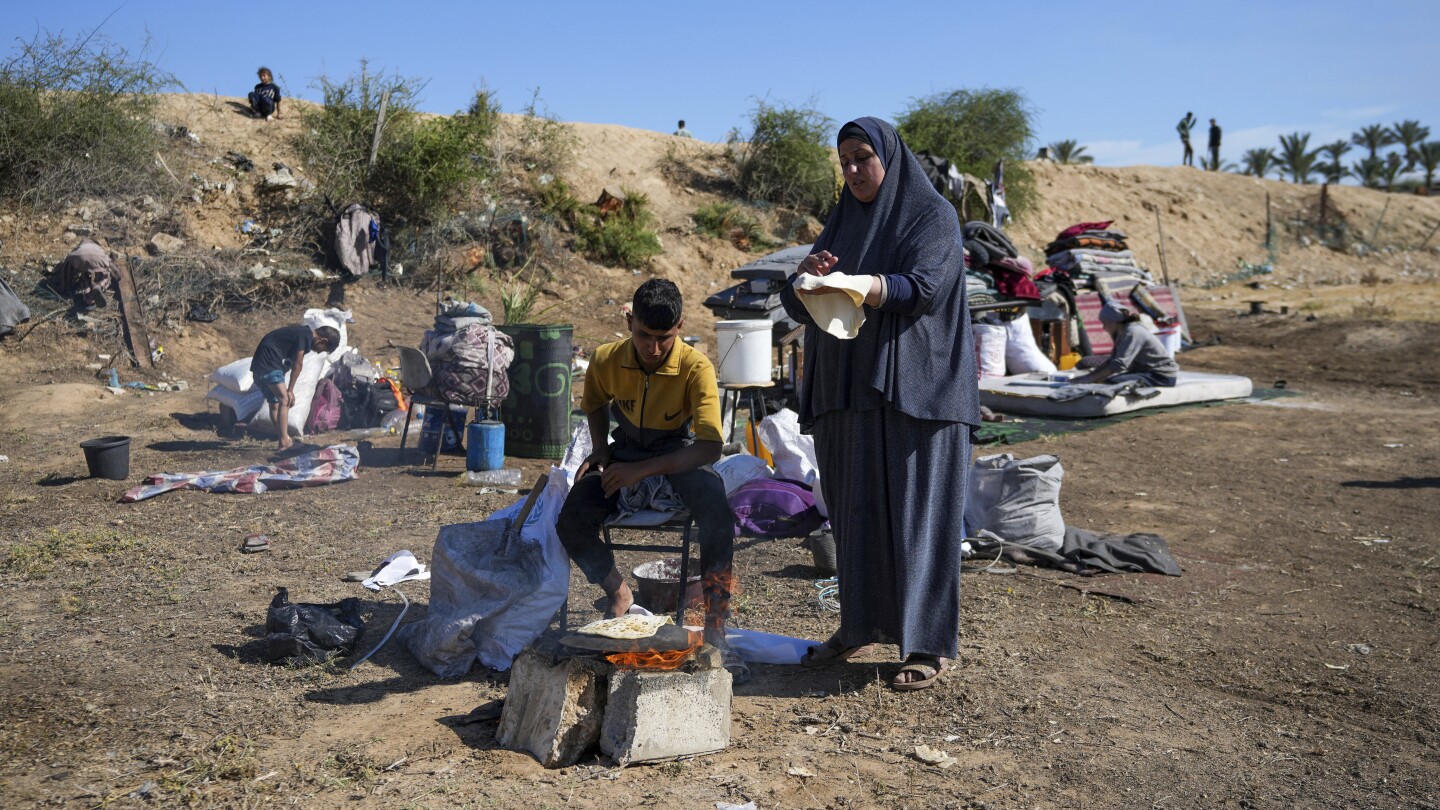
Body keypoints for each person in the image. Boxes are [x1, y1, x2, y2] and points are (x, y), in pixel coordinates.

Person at [778, 117, 981, 692]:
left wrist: (858, 283)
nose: (852, 171)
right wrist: (806, 278)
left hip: (919, 394)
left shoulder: (932, 216)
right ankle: (859, 623)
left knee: (918, 519)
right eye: (844, 162)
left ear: (889, 157)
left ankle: (927, 646)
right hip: (851, 392)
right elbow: (802, 306)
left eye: (862, 158)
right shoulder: (843, 221)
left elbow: (924, 290)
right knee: (856, 514)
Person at [555, 279, 746, 682]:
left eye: (664, 338)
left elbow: (710, 447)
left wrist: (641, 471)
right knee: (571, 518)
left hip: (679, 453)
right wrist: (601, 449)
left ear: (680, 325)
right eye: (644, 335)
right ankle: (619, 594)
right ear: (630, 321)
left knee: (716, 512)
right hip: (625, 450)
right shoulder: (606, 359)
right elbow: (593, 404)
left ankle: (715, 624)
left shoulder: (696, 366)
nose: (653, 349)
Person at [251, 324, 339, 451]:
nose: (319, 352)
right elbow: (298, 363)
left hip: (258, 367)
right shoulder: (305, 336)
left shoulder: (300, 333)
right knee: (285, 400)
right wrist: (290, 390)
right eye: (322, 349)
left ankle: (284, 438)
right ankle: (284, 442)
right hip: (269, 365)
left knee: (275, 403)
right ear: (323, 340)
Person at [1070, 300, 1178, 387]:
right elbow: (1112, 360)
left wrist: (1091, 379)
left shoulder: (1132, 332)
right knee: (1103, 378)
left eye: (1105, 323)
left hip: (1161, 375)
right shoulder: (1122, 332)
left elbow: (1119, 365)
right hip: (1146, 372)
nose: (1104, 327)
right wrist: (1089, 377)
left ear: (1113, 322)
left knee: (1113, 382)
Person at [49, 239, 118, 313]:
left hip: (78, 256)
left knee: (84, 277)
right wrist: (117, 277)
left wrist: (64, 288)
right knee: (103, 277)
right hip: (98, 258)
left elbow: (66, 269)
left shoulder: (80, 246)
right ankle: (99, 287)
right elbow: (113, 269)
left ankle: (87, 298)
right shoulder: (99, 249)